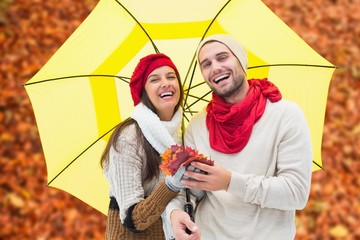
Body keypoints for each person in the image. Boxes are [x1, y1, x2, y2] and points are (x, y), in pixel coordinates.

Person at [166, 34, 313, 240]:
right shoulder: (197, 126)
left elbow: (296, 193)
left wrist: (229, 182)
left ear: (241, 61)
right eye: (206, 64)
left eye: (223, 57)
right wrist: (174, 212)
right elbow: (189, 190)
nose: (215, 67)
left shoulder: (285, 115)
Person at [100, 53, 200, 240]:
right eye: (154, 79)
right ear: (144, 92)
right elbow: (133, 220)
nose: (165, 83)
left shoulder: (184, 134)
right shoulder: (129, 137)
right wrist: (171, 185)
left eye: (171, 77)